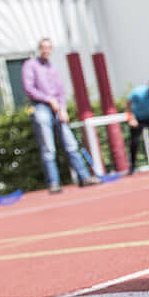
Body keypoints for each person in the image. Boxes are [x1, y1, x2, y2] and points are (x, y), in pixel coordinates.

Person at [21, 37, 101, 192]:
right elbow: (29, 88)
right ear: (39, 48)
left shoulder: (52, 67)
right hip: (40, 107)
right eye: (43, 47)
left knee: (71, 143)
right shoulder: (30, 65)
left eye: (49, 47)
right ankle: (54, 183)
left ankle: (84, 177)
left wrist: (63, 109)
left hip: (57, 108)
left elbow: (61, 91)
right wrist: (48, 99)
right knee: (48, 147)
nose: (46, 50)